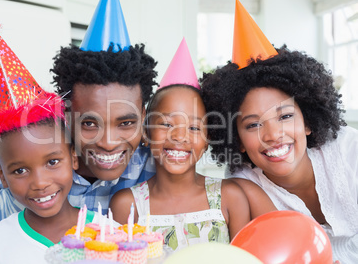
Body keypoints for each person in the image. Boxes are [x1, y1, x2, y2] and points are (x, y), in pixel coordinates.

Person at [0, 0, 157, 232]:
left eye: (126, 122)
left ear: (142, 116)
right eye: (90, 123)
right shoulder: (18, 140)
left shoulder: (151, 159)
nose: (109, 143)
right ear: (67, 114)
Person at [201, 1, 358, 262]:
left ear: (307, 122)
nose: (273, 135)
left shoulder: (349, 151)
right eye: (253, 124)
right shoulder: (245, 188)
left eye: (285, 116)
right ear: (237, 140)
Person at [110, 39, 276, 252]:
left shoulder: (229, 197)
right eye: (167, 124)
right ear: (146, 133)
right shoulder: (127, 206)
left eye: (194, 128)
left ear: (208, 140)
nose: (180, 136)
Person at [0, 23, 96, 264]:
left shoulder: (113, 234)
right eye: (20, 170)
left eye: (53, 161)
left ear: (74, 158)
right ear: (2, 176)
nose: (40, 183)